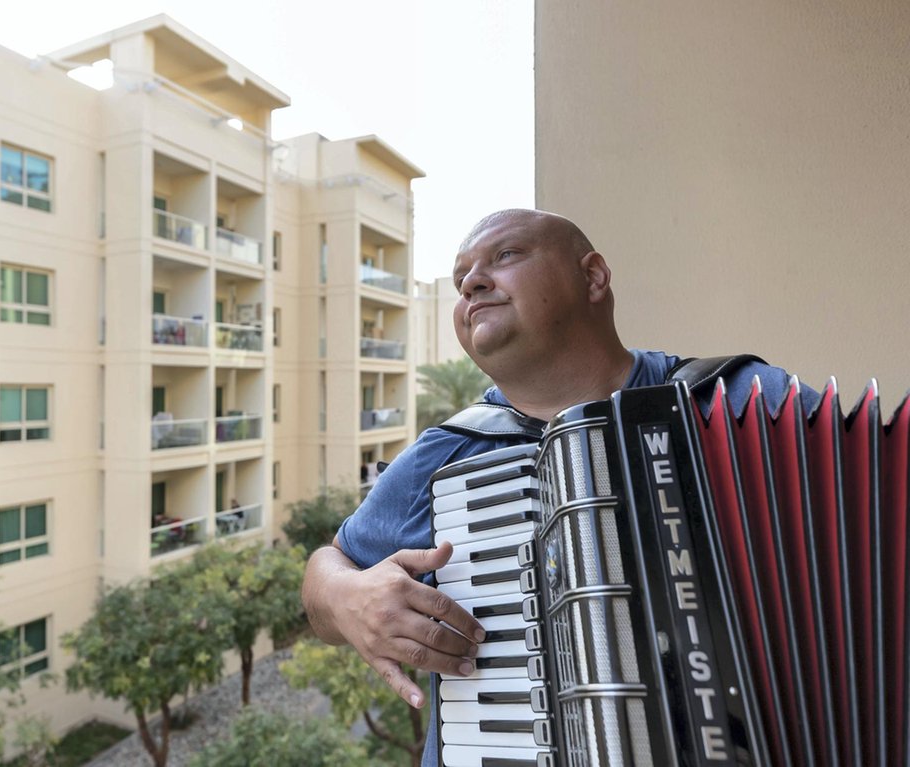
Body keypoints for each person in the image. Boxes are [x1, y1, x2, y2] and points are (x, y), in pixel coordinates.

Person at [301, 208, 807, 766]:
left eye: (506, 256)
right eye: (460, 279)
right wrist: (345, 597)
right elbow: (331, 567)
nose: (471, 283)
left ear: (593, 277)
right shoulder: (446, 455)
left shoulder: (741, 402)